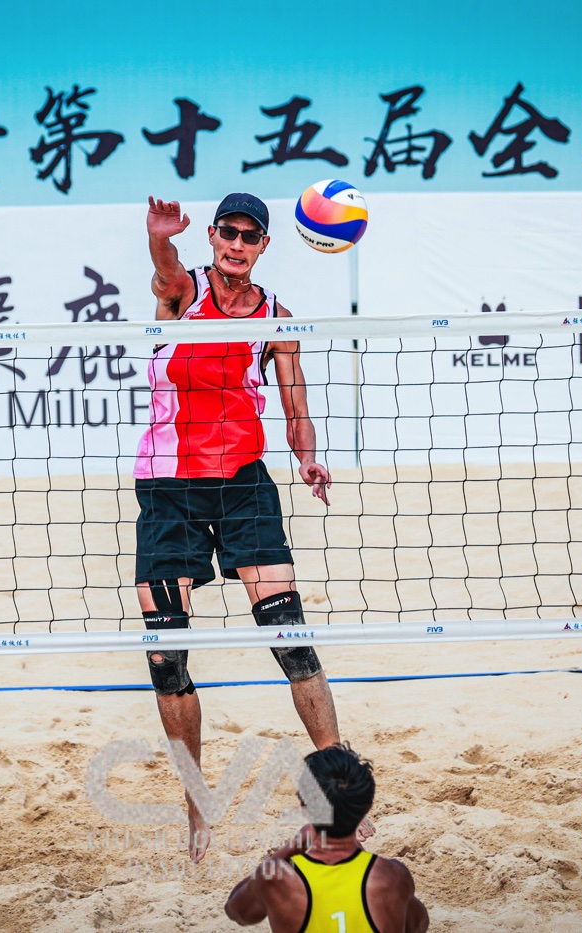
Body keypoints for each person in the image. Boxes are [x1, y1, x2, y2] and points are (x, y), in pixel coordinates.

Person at [137, 193, 343, 862]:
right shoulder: (182, 291)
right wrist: (159, 235)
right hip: (168, 484)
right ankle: (197, 803)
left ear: (262, 246)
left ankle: (340, 795)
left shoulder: (276, 316)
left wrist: (307, 457)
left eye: (249, 236)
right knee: (166, 656)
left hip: (243, 481)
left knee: (291, 638)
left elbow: (295, 401)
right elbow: (164, 265)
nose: (236, 243)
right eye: (227, 231)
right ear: (215, 236)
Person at [224, 744, 429, 933]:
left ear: (304, 806)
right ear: (367, 808)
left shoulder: (277, 878)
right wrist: (360, 856)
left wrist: (290, 849)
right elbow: (418, 925)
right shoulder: (391, 876)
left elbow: (237, 912)